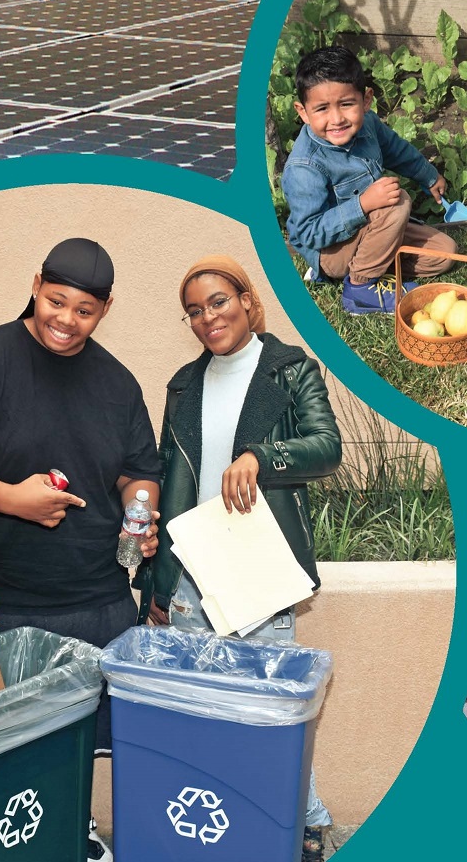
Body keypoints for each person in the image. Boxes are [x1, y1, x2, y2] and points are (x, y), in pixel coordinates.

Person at [0, 237, 160, 862]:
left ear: (105, 309)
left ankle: (74, 830)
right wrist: (13, 499)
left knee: (77, 739)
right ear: (35, 286)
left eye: (84, 310)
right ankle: (2, 845)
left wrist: (139, 512)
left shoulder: (117, 382)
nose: (66, 319)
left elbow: (139, 469)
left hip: (95, 598)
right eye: (56, 301)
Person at [138, 255, 343, 862]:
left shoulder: (290, 368)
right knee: (201, 718)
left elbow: (327, 447)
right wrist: (157, 584)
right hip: (190, 575)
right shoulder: (183, 384)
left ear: (248, 301)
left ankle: (305, 822)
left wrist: (261, 455)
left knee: (270, 711)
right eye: (194, 311)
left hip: (257, 570)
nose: (208, 317)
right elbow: (170, 480)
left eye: (219, 302)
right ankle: (226, 828)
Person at [282, 43, 458, 313]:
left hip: (371, 233)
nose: (336, 119)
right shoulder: (305, 166)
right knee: (396, 201)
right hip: (331, 252)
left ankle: (376, 267)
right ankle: (360, 289)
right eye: (322, 109)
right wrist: (363, 204)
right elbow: (309, 233)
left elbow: (396, 151)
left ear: (365, 101)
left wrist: (429, 176)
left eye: (346, 104)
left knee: (445, 253)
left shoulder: (368, 124)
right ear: (303, 112)